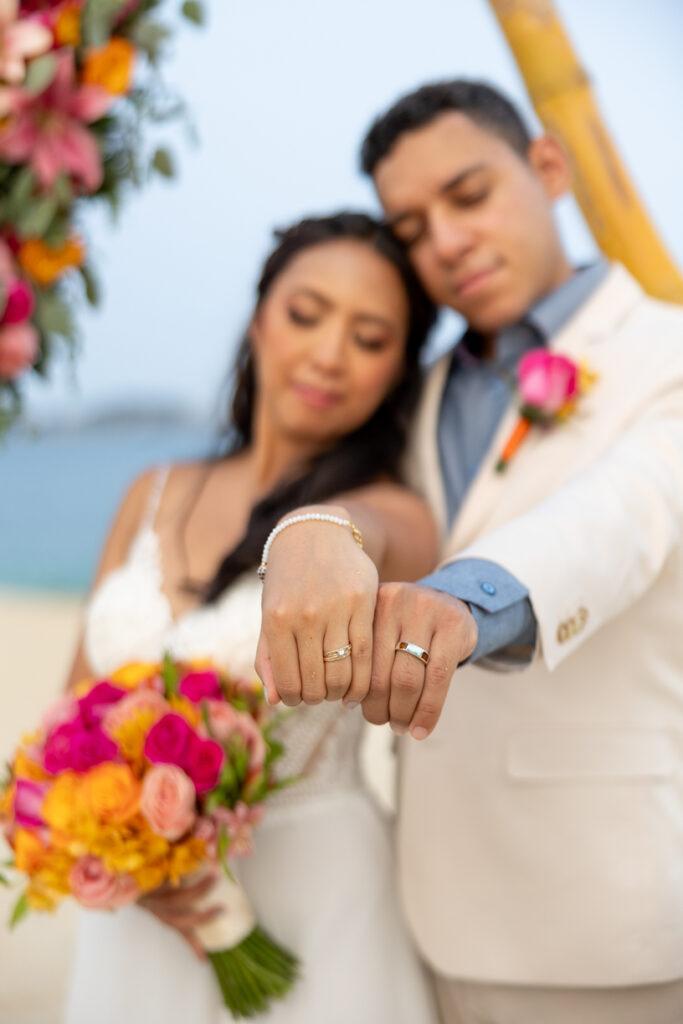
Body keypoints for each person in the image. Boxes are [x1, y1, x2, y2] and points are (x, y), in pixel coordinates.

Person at [258, 82, 683, 1023]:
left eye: (468, 195)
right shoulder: (417, 386)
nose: (442, 242)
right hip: (419, 910)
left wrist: (457, 603)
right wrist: (311, 530)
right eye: (411, 227)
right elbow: (373, 508)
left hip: (604, 920)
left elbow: (618, 517)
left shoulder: (667, 351)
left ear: (546, 168)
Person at [63, 212, 441, 1024]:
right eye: (306, 314)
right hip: (144, 914)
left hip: (316, 893)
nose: (328, 355)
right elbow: (69, 716)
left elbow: (374, 539)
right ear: (260, 314)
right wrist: (112, 841)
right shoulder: (153, 491)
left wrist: (324, 537)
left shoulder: (391, 513)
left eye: (369, 338)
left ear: (397, 373)